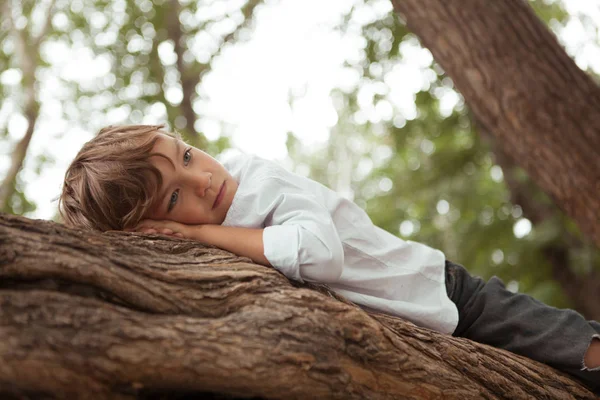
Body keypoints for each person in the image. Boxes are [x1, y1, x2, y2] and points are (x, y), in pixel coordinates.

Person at [59, 124, 600, 393]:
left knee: (575, 346)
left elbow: (320, 257)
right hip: (430, 330)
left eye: (185, 154)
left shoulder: (258, 183)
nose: (203, 178)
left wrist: (201, 235)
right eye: (177, 197)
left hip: (448, 293)